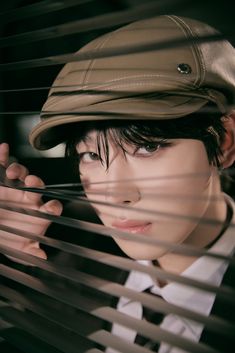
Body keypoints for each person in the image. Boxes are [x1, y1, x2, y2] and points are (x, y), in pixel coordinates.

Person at [0, 15, 235, 353]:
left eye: (148, 146)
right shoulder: (64, 267)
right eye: (91, 155)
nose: (116, 195)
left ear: (225, 142)